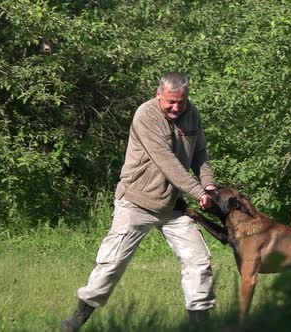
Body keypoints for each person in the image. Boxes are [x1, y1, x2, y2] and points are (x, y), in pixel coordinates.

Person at [62, 72, 218, 331]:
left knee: (199, 261)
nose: (176, 107)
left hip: (173, 205)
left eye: (181, 101)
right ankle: (77, 319)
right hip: (137, 201)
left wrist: (210, 185)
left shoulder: (192, 114)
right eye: (170, 101)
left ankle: (200, 324)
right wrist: (197, 191)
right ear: (159, 95)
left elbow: (200, 154)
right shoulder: (146, 115)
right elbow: (166, 161)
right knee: (112, 263)